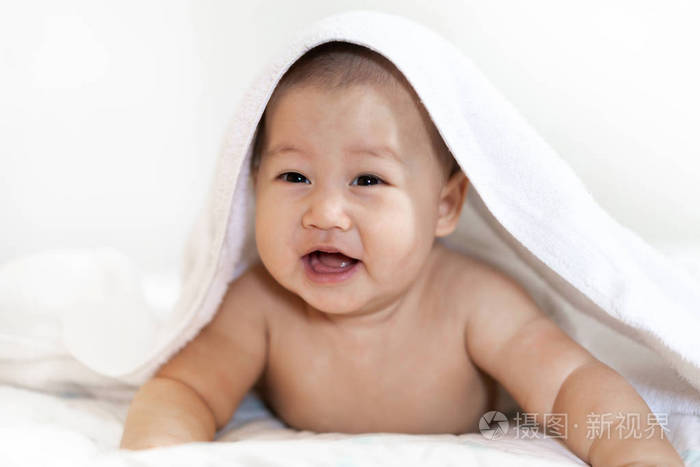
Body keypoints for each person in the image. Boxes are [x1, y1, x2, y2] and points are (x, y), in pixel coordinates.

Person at [120, 41, 683, 465]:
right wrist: (159, 450)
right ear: (251, 186)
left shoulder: (472, 302)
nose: (325, 213)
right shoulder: (260, 306)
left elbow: (570, 385)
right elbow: (184, 389)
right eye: (294, 175)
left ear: (444, 205)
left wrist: (634, 456)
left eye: (367, 180)